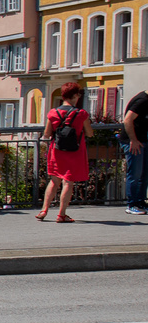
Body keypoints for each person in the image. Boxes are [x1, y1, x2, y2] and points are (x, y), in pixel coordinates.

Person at [37, 81, 92, 224]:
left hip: (57, 150)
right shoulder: (81, 114)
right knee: (68, 182)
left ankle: (44, 210)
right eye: (78, 94)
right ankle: (61, 214)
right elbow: (90, 133)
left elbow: (47, 134)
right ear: (74, 96)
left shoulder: (53, 113)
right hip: (75, 151)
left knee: (54, 180)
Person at [125, 89, 148, 216]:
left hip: (143, 139)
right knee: (135, 173)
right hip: (133, 141)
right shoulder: (142, 100)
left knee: (144, 173)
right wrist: (133, 139)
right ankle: (131, 204)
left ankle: (140, 202)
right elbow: (128, 119)